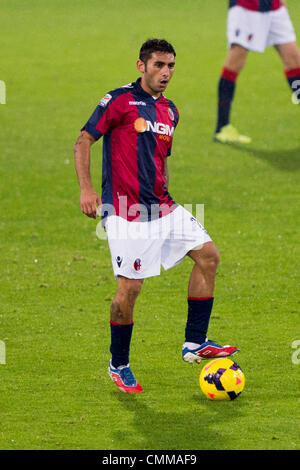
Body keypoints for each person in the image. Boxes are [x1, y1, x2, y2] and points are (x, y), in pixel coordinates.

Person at [74, 38, 238, 394]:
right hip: (126, 211)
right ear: (142, 66)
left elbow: (157, 161)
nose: (166, 72)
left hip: (163, 206)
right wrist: (88, 190)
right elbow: (84, 140)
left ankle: (195, 342)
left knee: (208, 257)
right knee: (130, 289)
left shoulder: (171, 111)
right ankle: (119, 364)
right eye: (159, 65)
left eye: (171, 66)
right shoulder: (117, 100)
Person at [214, 0, 300, 143]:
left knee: (294, 61)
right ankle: (222, 127)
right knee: (235, 62)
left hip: (274, 7)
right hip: (246, 8)